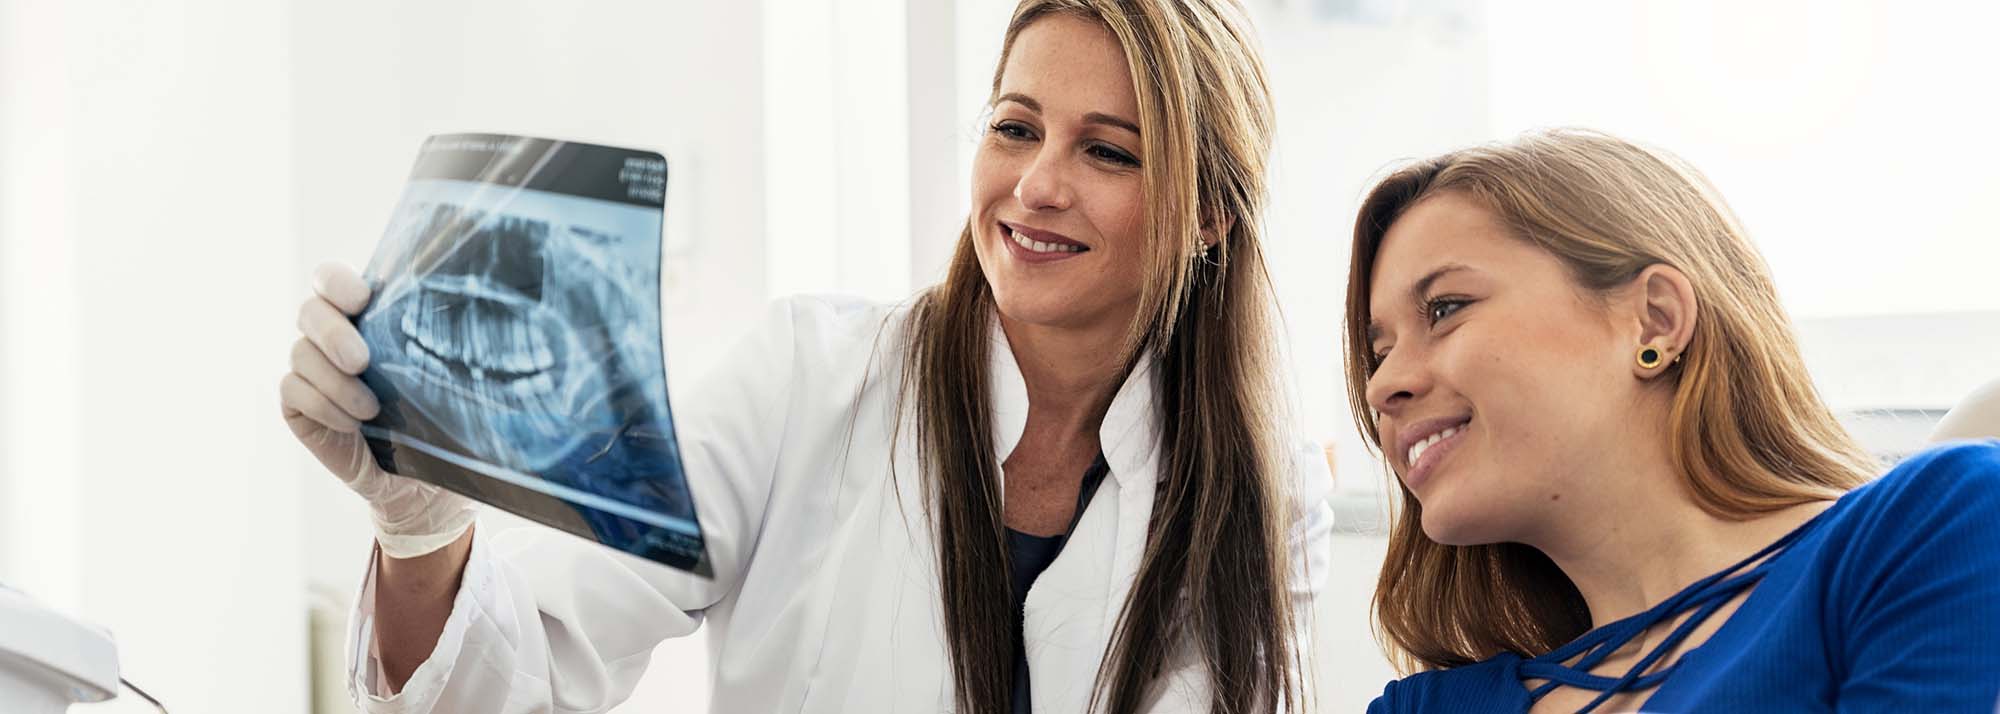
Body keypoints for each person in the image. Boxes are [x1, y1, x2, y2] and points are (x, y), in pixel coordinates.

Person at [278, 1, 1335, 712]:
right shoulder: (804, 381)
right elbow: (524, 677)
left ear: (1206, 209)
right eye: (1015, 128)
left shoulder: (1263, 485)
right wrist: (421, 528)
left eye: (1105, 150)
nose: (1036, 186)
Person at [1347, 130, 2000, 712]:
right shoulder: (1425, 706)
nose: (1383, 385)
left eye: (1445, 307)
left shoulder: (1928, 528)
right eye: (1380, 353)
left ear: (1655, 318)